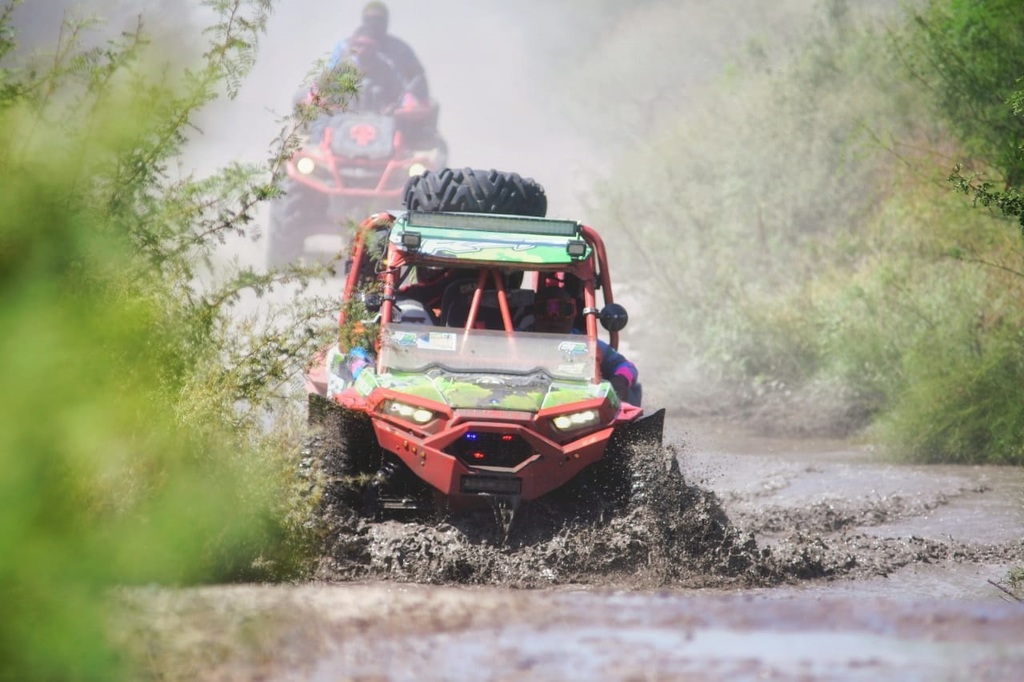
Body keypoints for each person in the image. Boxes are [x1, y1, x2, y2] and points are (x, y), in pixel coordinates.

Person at [531, 286, 642, 405]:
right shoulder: (516, 341)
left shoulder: (585, 344)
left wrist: (620, 380)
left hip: (577, 407)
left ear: (574, 313)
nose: (554, 318)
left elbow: (626, 366)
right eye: (544, 310)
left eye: (564, 310)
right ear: (534, 313)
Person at [328, 2, 429, 102]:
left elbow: (418, 78)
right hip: (347, 107)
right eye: (369, 19)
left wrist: (413, 100)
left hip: (389, 107)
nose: (374, 24)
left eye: (378, 20)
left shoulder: (400, 50)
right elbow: (329, 77)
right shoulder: (344, 47)